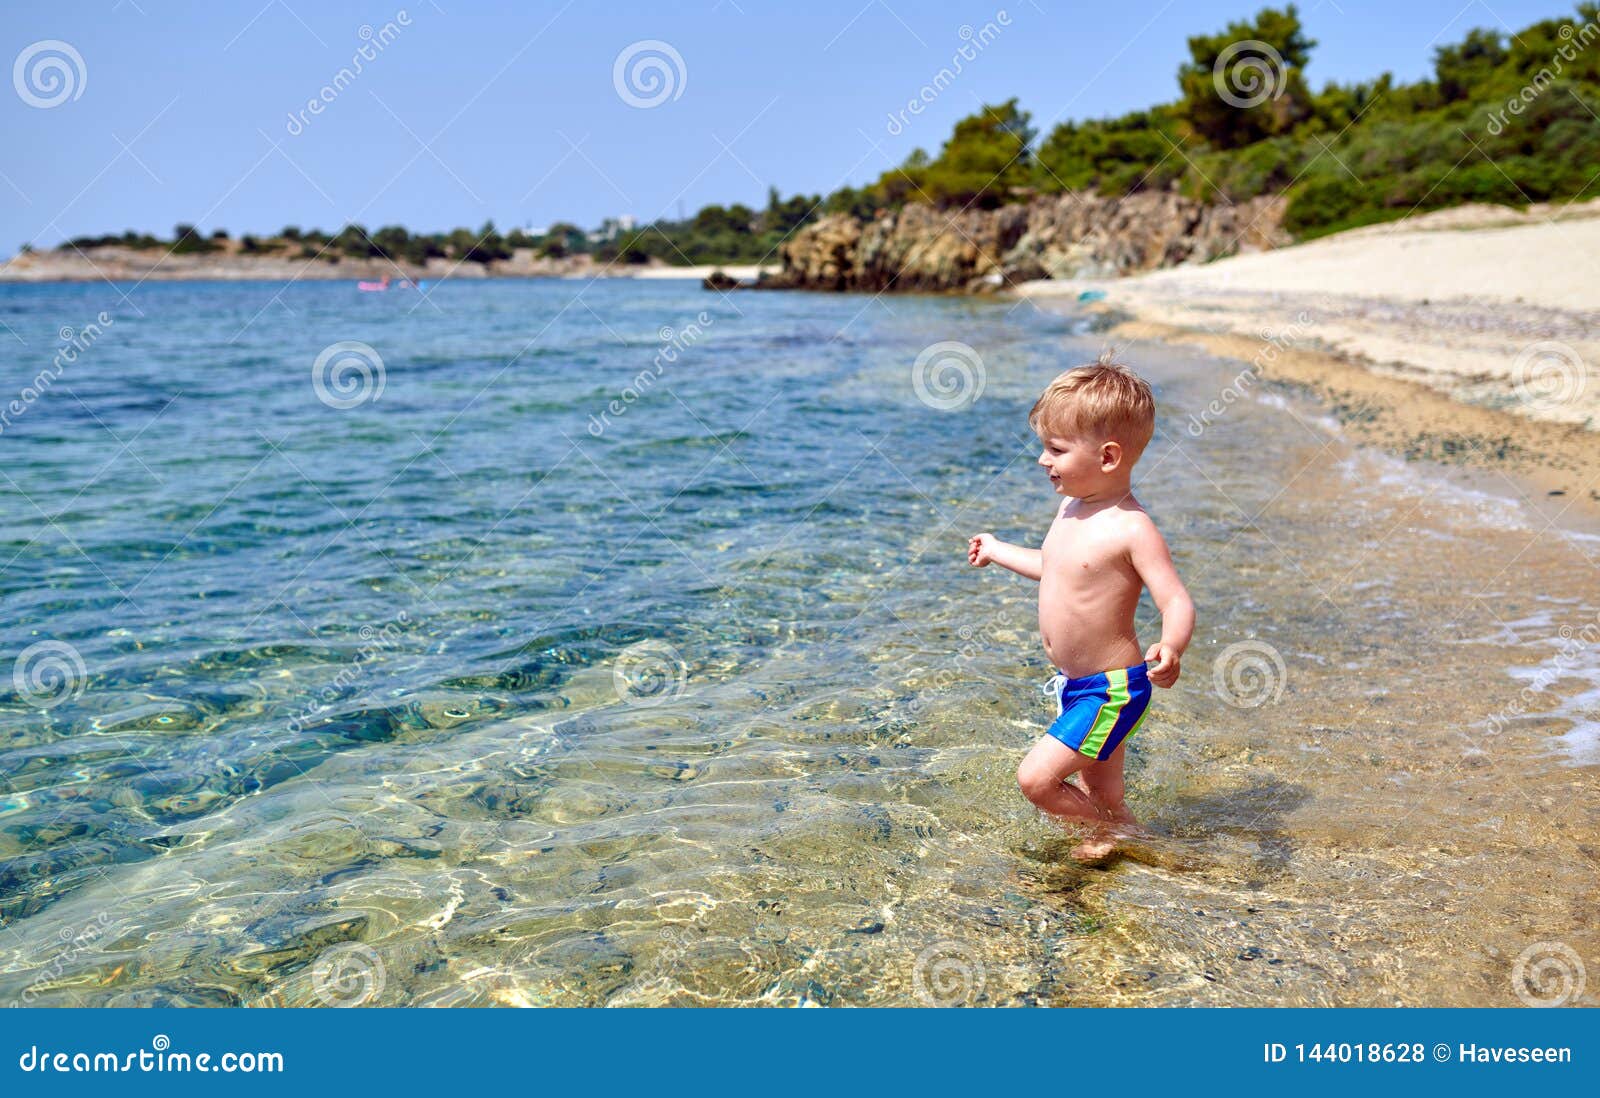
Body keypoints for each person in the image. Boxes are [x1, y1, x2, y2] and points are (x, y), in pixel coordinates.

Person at [967, 352, 1195, 862]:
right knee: (1105, 797)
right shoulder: (1070, 508)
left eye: (1056, 449)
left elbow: (1175, 597)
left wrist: (1172, 645)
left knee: (1036, 779)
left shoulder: (1131, 527)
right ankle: (1145, 852)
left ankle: (1120, 840)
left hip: (1112, 689)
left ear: (1108, 457)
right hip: (1077, 686)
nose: (1042, 460)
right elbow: (1056, 567)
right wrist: (999, 550)